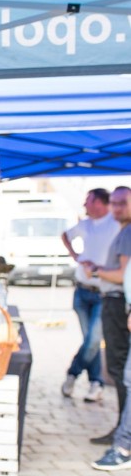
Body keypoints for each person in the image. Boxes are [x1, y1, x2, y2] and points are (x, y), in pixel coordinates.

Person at [61, 188, 119, 402]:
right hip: (82, 291)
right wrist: (75, 256)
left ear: (99, 203)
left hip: (103, 291)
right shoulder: (85, 225)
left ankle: (73, 373)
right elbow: (65, 235)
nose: (84, 205)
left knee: (93, 340)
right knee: (90, 340)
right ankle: (96, 383)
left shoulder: (116, 223)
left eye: (88, 201)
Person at [86, 186, 131, 445]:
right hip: (115, 303)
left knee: (118, 367)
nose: (116, 208)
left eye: (122, 203)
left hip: (116, 304)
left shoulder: (127, 232)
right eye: (113, 203)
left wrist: (97, 271)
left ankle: (123, 431)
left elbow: (123, 276)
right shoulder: (123, 230)